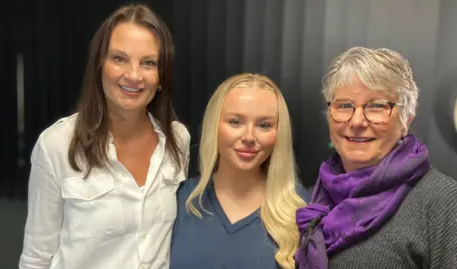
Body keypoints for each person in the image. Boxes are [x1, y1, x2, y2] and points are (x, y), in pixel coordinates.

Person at [19, 4, 190, 269]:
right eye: (119, 58)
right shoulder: (57, 145)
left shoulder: (178, 140)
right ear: (100, 64)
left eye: (148, 63)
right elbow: (36, 259)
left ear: (161, 76)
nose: (133, 75)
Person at [295, 47, 457, 269]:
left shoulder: (442, 200)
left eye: (377, 106)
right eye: (344, 105)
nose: (357, 121)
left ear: (407, 118)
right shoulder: (315, 197)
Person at [170, 73, 307, 269]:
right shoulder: (179, 200)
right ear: (213, 125)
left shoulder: (302, 211)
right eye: (235, 122)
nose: (249, 136)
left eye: (264, 125)